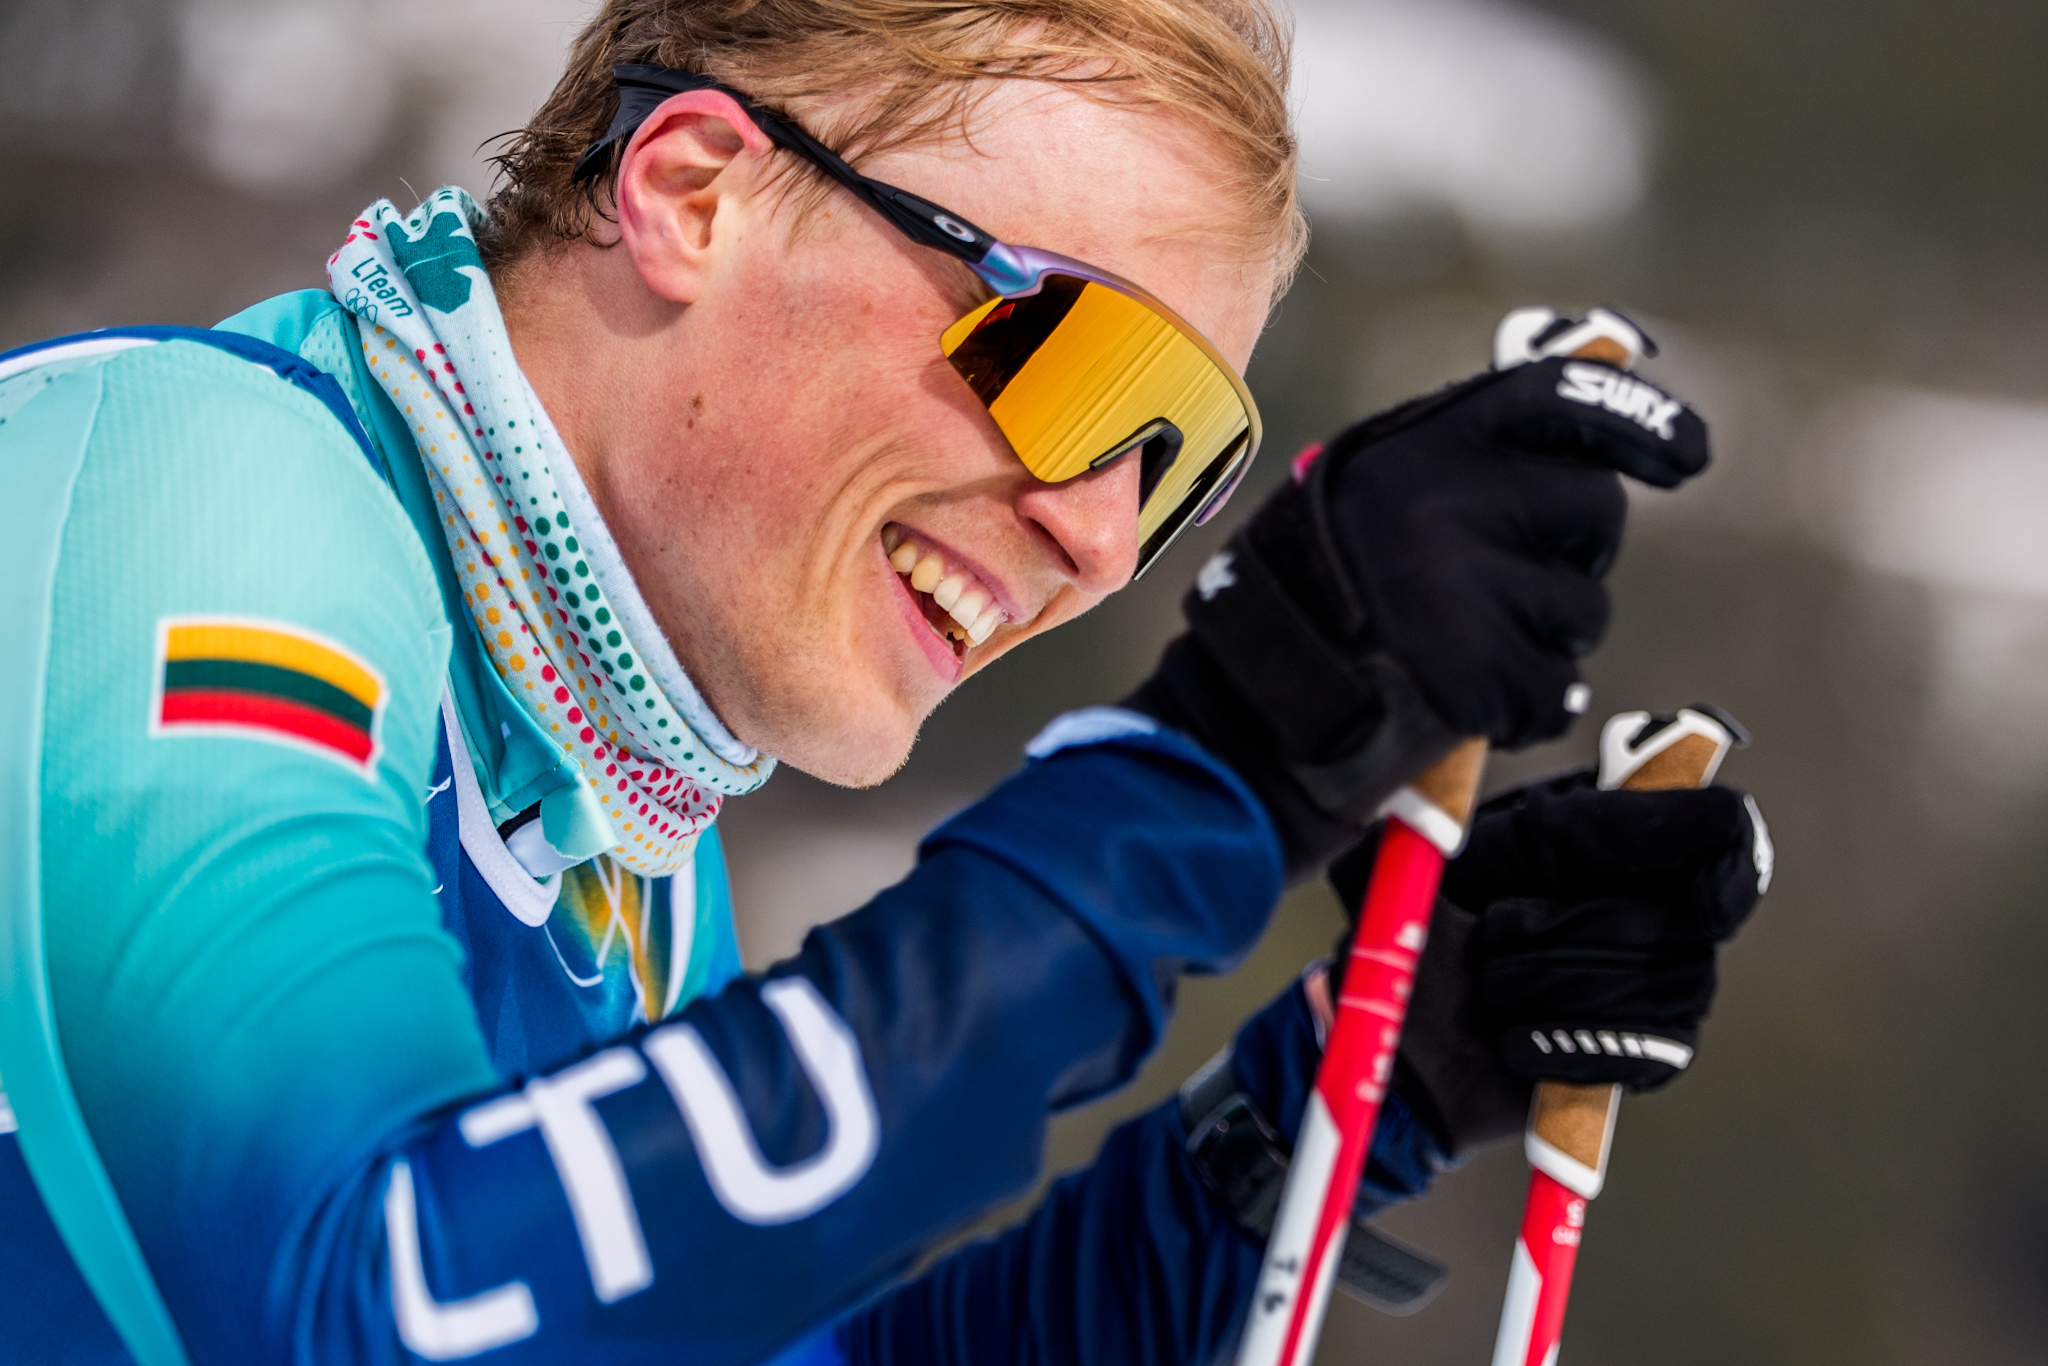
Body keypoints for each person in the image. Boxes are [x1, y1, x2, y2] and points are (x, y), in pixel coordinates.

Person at [0, 2, 1769, 1363]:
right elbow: (372, 1303)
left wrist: (1327, 1114)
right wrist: (1208, 778)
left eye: (1171, 460)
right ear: (694, 191)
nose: (1099, 536)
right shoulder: (187, 495)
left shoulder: (619, 829)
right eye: (1073, 363)